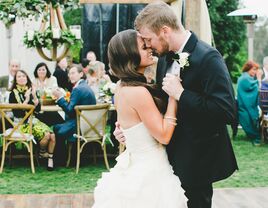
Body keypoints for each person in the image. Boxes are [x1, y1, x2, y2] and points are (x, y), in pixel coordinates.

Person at [114, 2, 238, 208]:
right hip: (168, 159)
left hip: (196, 162)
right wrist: (135, 131)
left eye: (148, 39)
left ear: (164, 31)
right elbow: (163, 108)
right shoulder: (164, 59)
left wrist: (182, 94)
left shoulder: (208, 57)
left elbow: (227, 111)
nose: (148, 45)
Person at [93, 29, 186, 208]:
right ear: (130, 56)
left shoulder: (121, 86)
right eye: (144, 47)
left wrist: (123, 132)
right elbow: (164, 135)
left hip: (137, 162)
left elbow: (131, 125)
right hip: (151, 171)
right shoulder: (137, 92)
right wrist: (174, 97)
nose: (150, 48)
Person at [9, 70, 56, 171]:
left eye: (24, 76)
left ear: (27, 78)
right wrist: (26, 101)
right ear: (16, 80)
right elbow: (17, 114)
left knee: (52, 135)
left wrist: (34, 96)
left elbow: (38, 110)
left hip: (33, 121)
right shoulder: (13, 94)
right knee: (47, 135)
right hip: (21, 124)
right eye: (19, 77)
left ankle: (49, 159)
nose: (22, 78)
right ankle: (42, 152)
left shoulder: (30, 91)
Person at [52, 65, 96, 165]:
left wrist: (60, 98)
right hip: (91, 126)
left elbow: (69, 111)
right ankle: (64, 156)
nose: (70, 75)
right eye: (69, 73)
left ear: (81, 74)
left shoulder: (77, 89)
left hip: (80, 126)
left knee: (56, 128)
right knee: (58, 127)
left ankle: (60, 159)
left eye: (73, 73)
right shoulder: (85, 86)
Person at [237, 60, 262, 146]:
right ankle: (257, 136)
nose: (255, 72)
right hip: (243, 107)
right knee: (248, 118)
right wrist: (258, 79)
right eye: (254, 69)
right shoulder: (245, 78)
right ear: (248, 69)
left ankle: (259, 133)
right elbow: (256, 87)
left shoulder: (248, 78)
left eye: (256, 70)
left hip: (247, 105)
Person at [32, 62, 64, 126]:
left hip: (51, 104)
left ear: (47, 70)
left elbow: (55, 91)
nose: (41, 71)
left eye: (43, 69)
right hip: (39, 105)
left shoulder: (53, 79)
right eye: (39, 70)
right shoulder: (33, 80)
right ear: (36, 71)